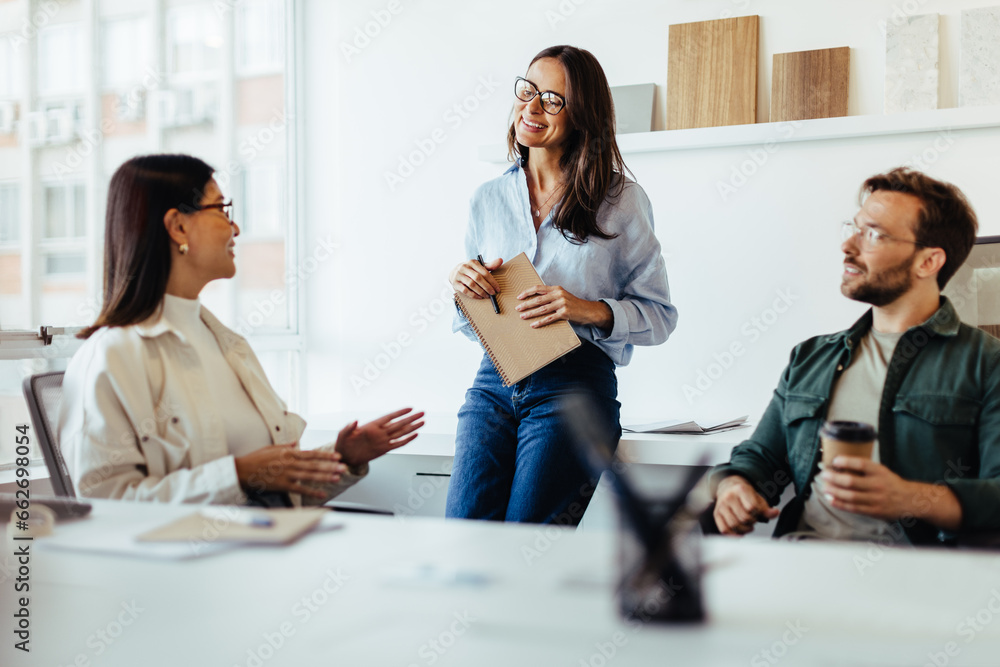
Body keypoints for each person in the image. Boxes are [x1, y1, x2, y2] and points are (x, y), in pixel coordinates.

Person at [60, 154, 424, 505]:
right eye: (221, 209)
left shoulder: (226, 345)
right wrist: (236, 475)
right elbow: (105, 506)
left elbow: (275, 494)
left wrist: (342, 458)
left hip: (267, 552)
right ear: (178, 226)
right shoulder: (111, 357)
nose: (234, 227)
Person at [446, 46, 678, 524]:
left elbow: (660, 318)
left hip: (574, 385)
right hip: (493, 381)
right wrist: (464, 289)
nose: (531, 108)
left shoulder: (620, 200)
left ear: (582, 114)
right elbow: (469, 326)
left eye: (553, 99)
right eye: (528, 91)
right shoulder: (487, 198)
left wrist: (586, 309)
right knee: (465, 538)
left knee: (527, 542)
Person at [710, 167, 1000, 545]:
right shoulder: (810, 357)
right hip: (803, 558)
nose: (848, 246)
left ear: (928, 262)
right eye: (855, 227)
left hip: (921, 579)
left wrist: (911, 498)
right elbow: (760, 456)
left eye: (874, 234)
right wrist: (734, 486)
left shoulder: (987, 363)